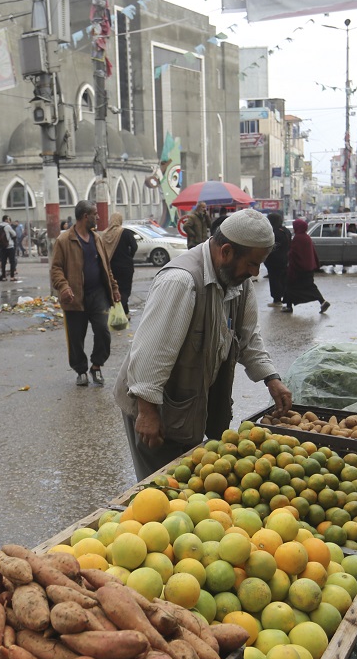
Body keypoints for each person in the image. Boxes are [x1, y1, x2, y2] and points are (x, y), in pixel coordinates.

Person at [112, 209, 293, 480]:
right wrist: (147, 412)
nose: (255, 273)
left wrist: (271, 378)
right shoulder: (181, 281)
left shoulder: (238, 283)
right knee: (160, 489)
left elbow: (248, 337)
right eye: (253, 264)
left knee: (187, 485)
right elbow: (151, 354)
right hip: (154, 408)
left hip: (188, 405)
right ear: (227, 251)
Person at [50, 200, 120, 387]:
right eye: (95, 214)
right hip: (74, 297)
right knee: (76, 337)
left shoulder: (97, 238)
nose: (98, 217)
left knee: (103, 331)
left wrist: (114, 288)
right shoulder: (64, 240)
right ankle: (80, 370)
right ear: (85, 216)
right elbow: (55, 268)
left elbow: (106, 266)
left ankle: (96, 366)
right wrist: (64, 287)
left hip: (97, 294)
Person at [281, 219, 330, 314]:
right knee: (309, 287)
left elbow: (294, 254)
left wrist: (288, 256)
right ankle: (322, 302)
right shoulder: (306, 237)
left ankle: (289, 306)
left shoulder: (298, 238)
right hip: (308, 268)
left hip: (299, 269)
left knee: (291, 286)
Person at [101, 212, 138, 316]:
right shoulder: (125, 232)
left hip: (111, 267)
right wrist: (129, 256)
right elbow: (134, 247)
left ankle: (125, 313)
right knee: (125, 290)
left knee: (114, 289)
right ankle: (119, 313)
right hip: (126, 267)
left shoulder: (104, 234)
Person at [263, 211, 290, 307]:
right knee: (283, 279)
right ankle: (284, 298)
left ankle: (277, 299)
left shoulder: (273, 232)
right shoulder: (286, 231)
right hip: (285, 259)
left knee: (274, 279)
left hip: (274, 260)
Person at [0, 214, 18, 281]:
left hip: (2, 246)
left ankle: (3, 276)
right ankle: (12, 276)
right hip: (9, 246)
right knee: (12, 261)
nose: (9, 221)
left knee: (3, 262)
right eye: (8, 219)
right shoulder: (7, 226)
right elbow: (14, 234)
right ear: (6, 220)